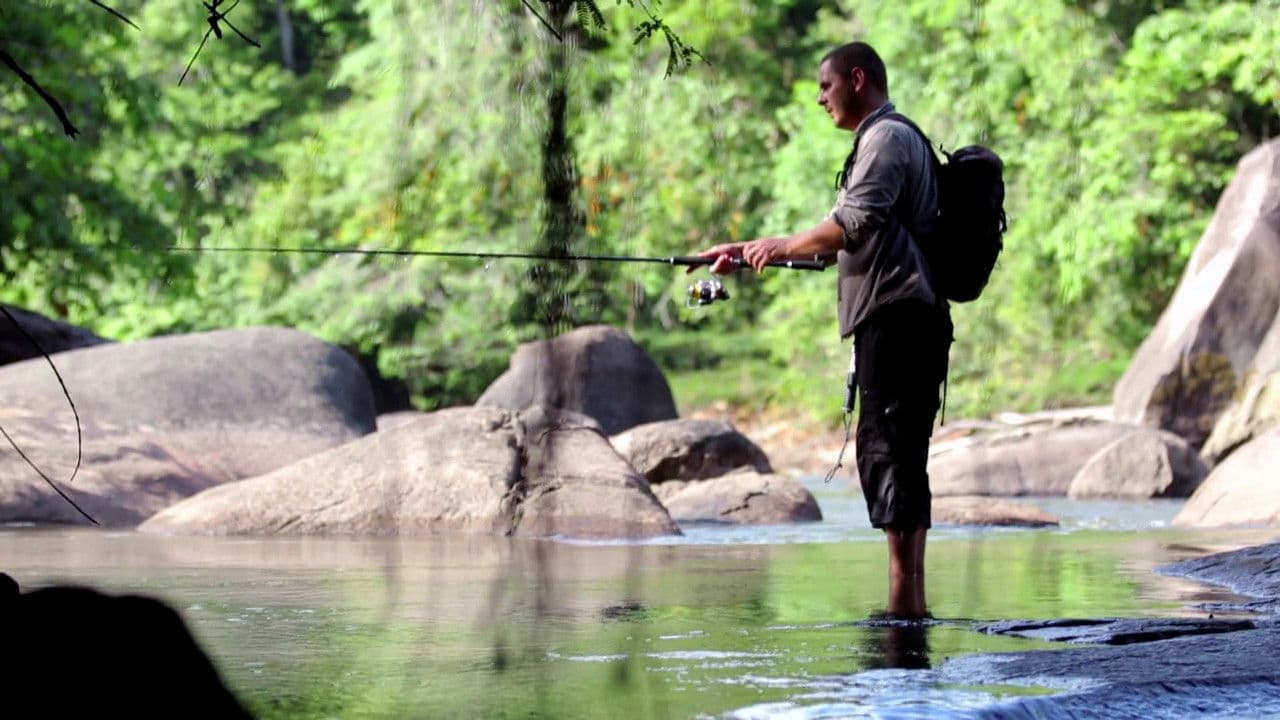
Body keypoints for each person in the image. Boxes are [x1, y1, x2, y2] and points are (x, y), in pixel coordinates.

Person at [693, 41, 952, 619]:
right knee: (891, 454)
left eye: (825, 87)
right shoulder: (879, 141)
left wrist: (780, 244)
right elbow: (839, 243)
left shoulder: (886, 139)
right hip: (896, 322)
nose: (819, 99)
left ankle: (905, 613)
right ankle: (906, 606)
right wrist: (744, 252)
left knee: (892, 455)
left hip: (902, 322)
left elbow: (850, 223)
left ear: (857, 79)